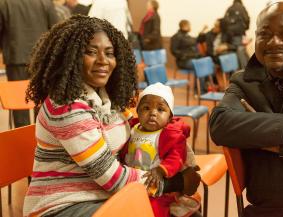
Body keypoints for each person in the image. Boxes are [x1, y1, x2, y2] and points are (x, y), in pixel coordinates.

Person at [23, 15, 201, 217]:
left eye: (109, 53)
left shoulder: (107, 99)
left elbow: (148, 130)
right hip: (62, 205)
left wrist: (184, 162)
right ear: (70, 57)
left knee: (188, 212)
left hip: (103, 195)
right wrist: (176, 182)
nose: (103, 61)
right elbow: (114, 179)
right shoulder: (65, 107)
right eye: (90, 52)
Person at [209, 1, 283, 217]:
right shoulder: (244, 81)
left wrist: (279, 147)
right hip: (270, 207)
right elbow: (220, 124)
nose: (274, 42)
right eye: (265, 34)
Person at [122, 82, 200, 217]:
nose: (152, 113)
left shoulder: (169, 135)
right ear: (138, 111)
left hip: (158, 187)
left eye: (160, 109)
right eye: (146, 108)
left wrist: (160, 170)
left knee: (154, 211)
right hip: (131, 183)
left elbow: (177, 157)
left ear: (170, 117)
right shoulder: (132, 129)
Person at [0, 0, 59, 128]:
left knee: (19, 101)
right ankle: (43, 134)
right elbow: (57, 29)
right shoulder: (46, 2)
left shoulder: (4, 3)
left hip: (16, 57)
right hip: (42, 58)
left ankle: (22, 137)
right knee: (42, 99)